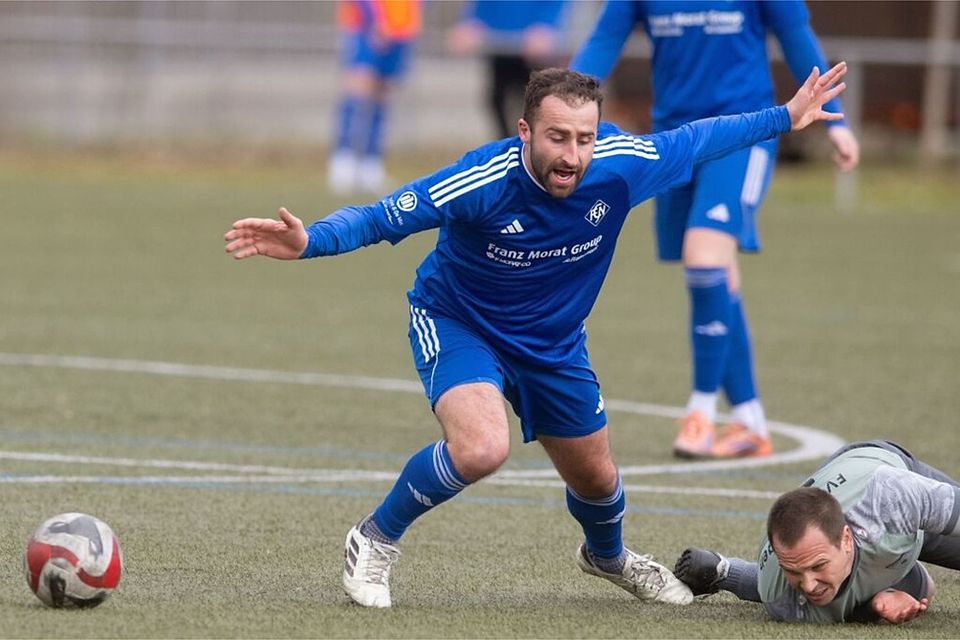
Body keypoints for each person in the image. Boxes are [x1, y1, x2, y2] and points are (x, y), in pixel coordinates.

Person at [224, 65, 848, 609]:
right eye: (557, 138)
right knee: (481, 448)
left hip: (553, 344)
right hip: (458, 321)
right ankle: (376, 536)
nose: (573, 154)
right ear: (525, 132)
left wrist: (785, 116)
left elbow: (699, 138)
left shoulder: (621, 167)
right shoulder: (482, 180)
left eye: (585, 138)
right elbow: (384, 216)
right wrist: (310, 242)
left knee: (599, 482)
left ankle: (607, 558)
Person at [570, 1, 861, 460]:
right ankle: (749, 420)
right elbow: (603, 42)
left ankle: (701, 412)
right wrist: (562, 111)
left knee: (704, 262)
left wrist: (837, 121)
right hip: (675, 140)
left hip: (744, 134)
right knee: (717, 275)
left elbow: (797, 38)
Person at [673, 440, 960, 624]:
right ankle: (722, 570)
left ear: (846, 539)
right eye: (794, 571)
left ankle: (727, 571)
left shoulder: (895, 496)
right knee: (919, 589)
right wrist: (873, 605)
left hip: (876, 469)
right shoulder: (783, 601)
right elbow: (917, 591)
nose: (808, 586)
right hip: (880, 543)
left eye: (818, 565)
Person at [327, 0, 421, 194]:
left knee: (382, 98)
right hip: (367, 28)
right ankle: (343, 160)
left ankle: (371, 164)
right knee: (357, 92)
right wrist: (374, 20)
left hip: (401, 29)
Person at [446, 0, 568, 139]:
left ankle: (538, 145)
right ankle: (510, 148)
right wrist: (473, 22)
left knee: (537, 102)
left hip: (537, 49)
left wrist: (547, 24)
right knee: (498, 99)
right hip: (501, 45)